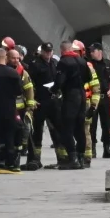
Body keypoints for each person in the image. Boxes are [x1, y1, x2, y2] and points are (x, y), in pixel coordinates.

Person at [54, 40, 89, 169]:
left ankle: (73, 158)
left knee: (67, 128)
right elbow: (88, 78)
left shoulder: (63, 62)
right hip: (82, 95)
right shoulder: (82, 61)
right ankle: (80, 158)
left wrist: (53, 90)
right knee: (80, 128)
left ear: (62, 50)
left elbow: (59, 81)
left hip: (70, 96)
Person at [25, 42, 60, 168]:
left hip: (53, 101)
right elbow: (30, 84)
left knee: (57, 131)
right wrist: (32, 99)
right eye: (46, 51)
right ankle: (35, 159)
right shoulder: (35, 64)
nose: (48, 54)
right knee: (37, 131)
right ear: (42, 52)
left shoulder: (55, 63)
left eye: (50, 51)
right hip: (40, 101)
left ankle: (61, 158)